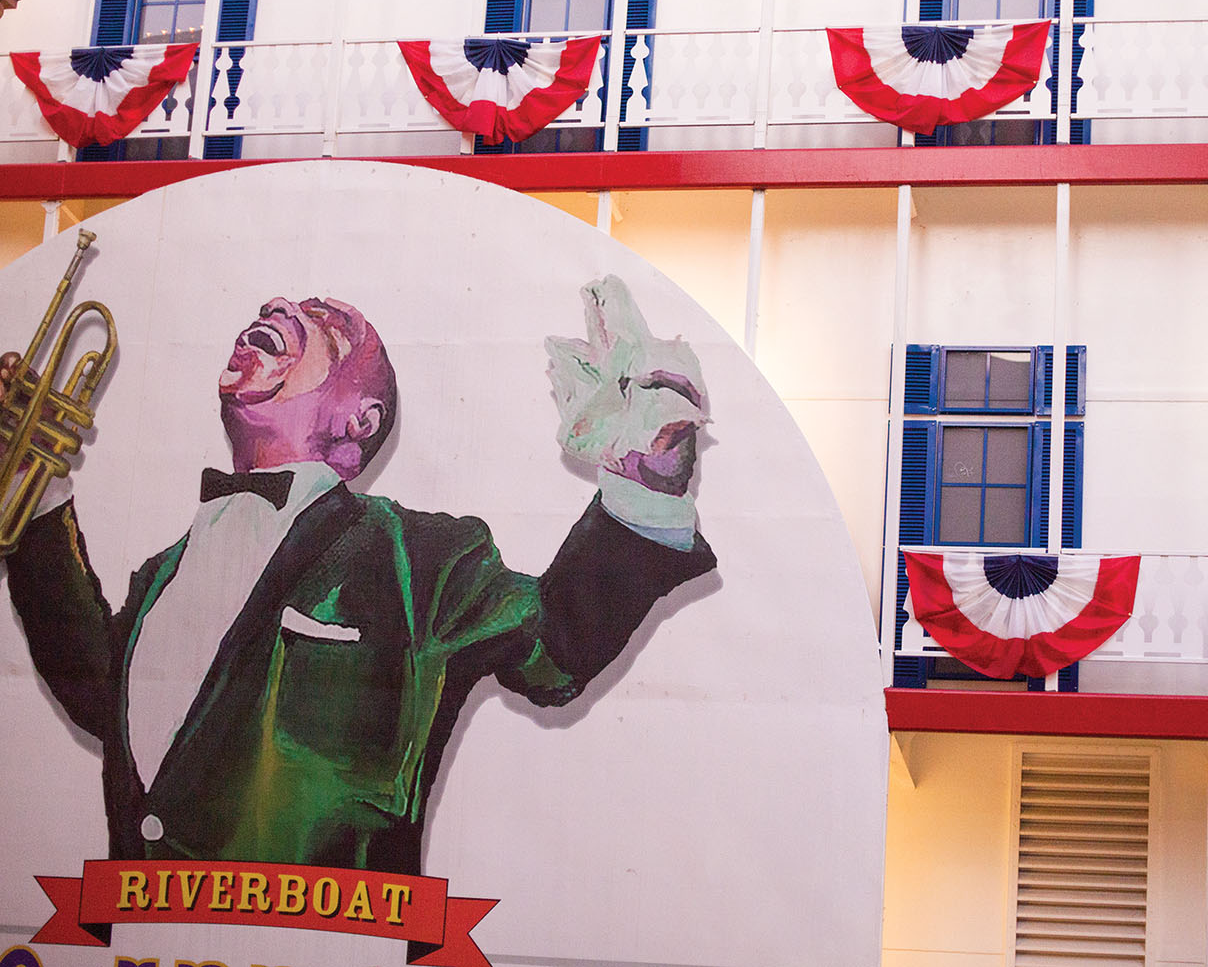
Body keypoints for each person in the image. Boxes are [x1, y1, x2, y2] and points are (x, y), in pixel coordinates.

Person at [2, 283, 715, 876]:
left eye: (325, 326)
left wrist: (646, 477)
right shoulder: (163, 573)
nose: (279, 303)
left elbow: (557, 645)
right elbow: (100, 692)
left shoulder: (426, 559)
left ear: (358, 419)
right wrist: (37, 494)